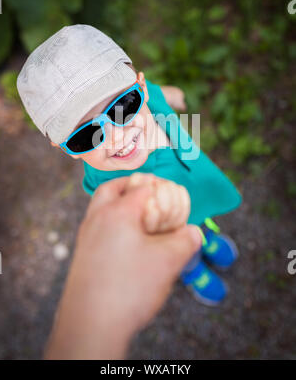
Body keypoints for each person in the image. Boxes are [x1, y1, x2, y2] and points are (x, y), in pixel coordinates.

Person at [17, 24, 242, 306]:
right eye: (86, 135)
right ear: (65, 149)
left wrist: (171, 94)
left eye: (123, 106)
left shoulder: (152, 98)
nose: (115, 137)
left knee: (200, 212)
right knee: (181, 239)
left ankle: (205, 233)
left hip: (193, 183)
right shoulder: (108, 187)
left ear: (142, 88)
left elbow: (160, 92)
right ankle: (191, 266)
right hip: (168, 223)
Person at [44, 175, 202, 360]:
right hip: (165, 240)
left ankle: (205, 241)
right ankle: (192, 269)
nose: (115, 143)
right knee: (180, 250)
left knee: (199, 221)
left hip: (194, 210)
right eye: (86, 143)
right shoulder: (105, 186)